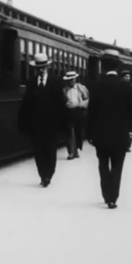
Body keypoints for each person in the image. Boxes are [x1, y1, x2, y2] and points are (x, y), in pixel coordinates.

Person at [86, 50, 132, 209]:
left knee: (103, 164)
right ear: (116, 68)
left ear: (102, 67)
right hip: (120, 134)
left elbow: (91, 111)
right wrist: (130, 129)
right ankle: (112, 198)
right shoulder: (126, 87)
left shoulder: (96, 86)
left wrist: (90, 133)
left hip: (100, 135)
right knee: (117, 166)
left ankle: (105, 194)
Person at [18, 52, 66, 187]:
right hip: (36, 125)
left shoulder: (55, 81)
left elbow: (60, 104)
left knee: (50, 150)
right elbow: (26, 104)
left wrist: (63, 125)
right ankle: (42, 175)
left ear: (47, 67)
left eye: (43, 67)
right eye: (38, 68)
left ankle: (49, 174)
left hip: (52, 125)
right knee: (38, 151)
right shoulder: (32, 82)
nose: (40, 70)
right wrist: (24, 123)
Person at [62, 71, 90, 159]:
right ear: (67, 81)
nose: (72, 81)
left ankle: (76, 150)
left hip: (79, 112)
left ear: (75, 79)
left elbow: (88, 99)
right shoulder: (64, 90)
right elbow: (62, 101)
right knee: (70, 132)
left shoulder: (81, 88)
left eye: (73, 79)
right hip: (68, 113)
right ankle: (71, 152)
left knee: (78, 132)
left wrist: (83, 104)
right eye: (70, 80)